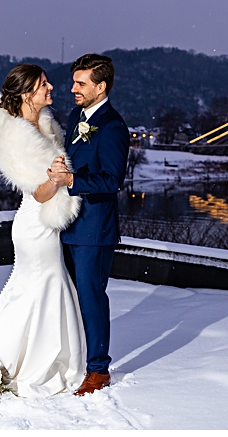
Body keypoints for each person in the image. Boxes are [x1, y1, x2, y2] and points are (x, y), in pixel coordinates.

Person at [0, 64, 87, 397]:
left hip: (46, 222)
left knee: (34, 290)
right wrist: (55, 178)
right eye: (42, 85)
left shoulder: (44, 124)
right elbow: (38, 192)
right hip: (35, 223)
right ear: (25, 94)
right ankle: (18, 363)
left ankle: (11, 358)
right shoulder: (16, 134)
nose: (51, 87)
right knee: (40, 287)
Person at [47, 53, 130, 395]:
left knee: (92, 297)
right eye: (74, 82)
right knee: (68, 295)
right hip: (67, 225)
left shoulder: (112, 126)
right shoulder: (74, 117)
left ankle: (98, 370)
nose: (73, 89)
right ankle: (73, 357)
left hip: (94, 230)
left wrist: (71, 179)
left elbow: (112, 181)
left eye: (81, 83)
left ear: (101, 86)